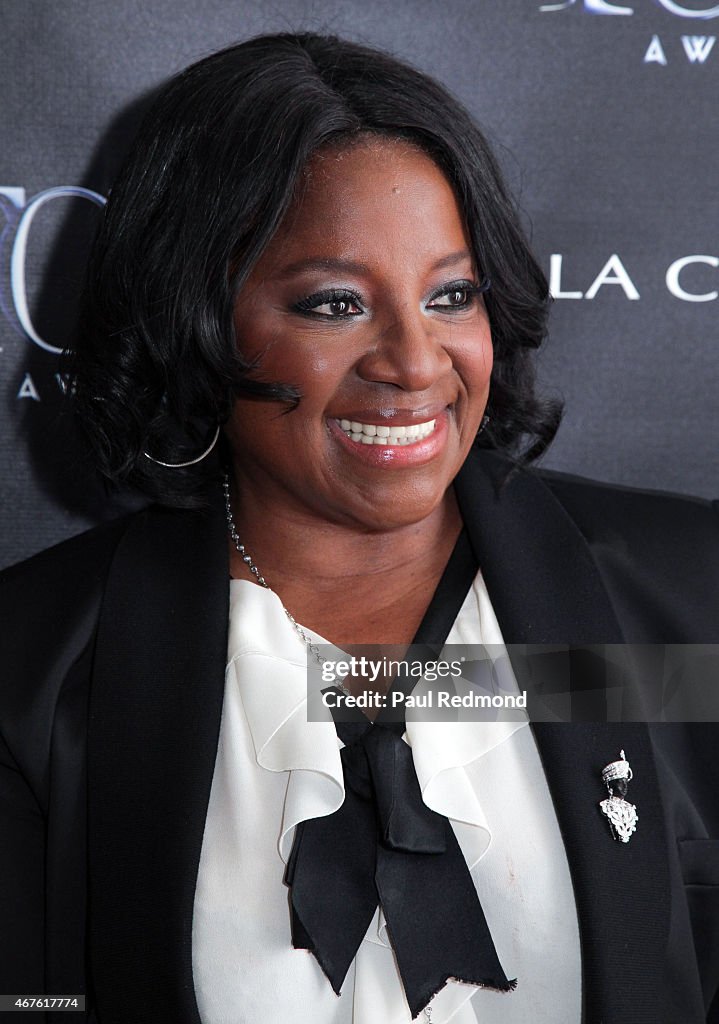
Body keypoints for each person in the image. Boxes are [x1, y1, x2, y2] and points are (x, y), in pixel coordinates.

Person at [1, 32, 718, 1024]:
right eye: (334, 303)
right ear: (196, 319)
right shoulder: (35, 669)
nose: (415, 362)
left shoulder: (681, 606)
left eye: (450, 295)